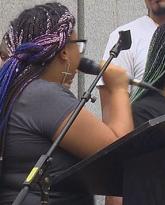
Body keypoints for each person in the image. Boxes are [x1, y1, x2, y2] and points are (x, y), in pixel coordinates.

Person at [0, 2, 133, 205]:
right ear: (64, 52)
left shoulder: (15, 92)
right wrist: (118, 90)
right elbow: (119, 156)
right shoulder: (44, 97)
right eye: (78, 46)